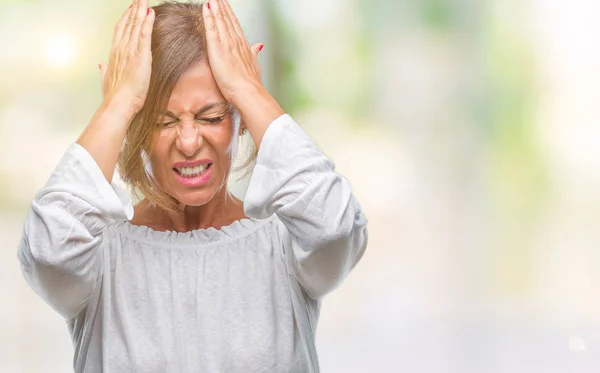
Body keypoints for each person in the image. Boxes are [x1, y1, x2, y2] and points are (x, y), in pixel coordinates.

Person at [17, 0, 368, 371]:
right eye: (161, 121)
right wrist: (117, 104)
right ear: (131, 128)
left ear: (242, 118)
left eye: (212, 116)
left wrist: (248, 90)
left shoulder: (288, 245)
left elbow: (336, 229)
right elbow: (47, 252)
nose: (188, 142)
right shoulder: (95, 256)